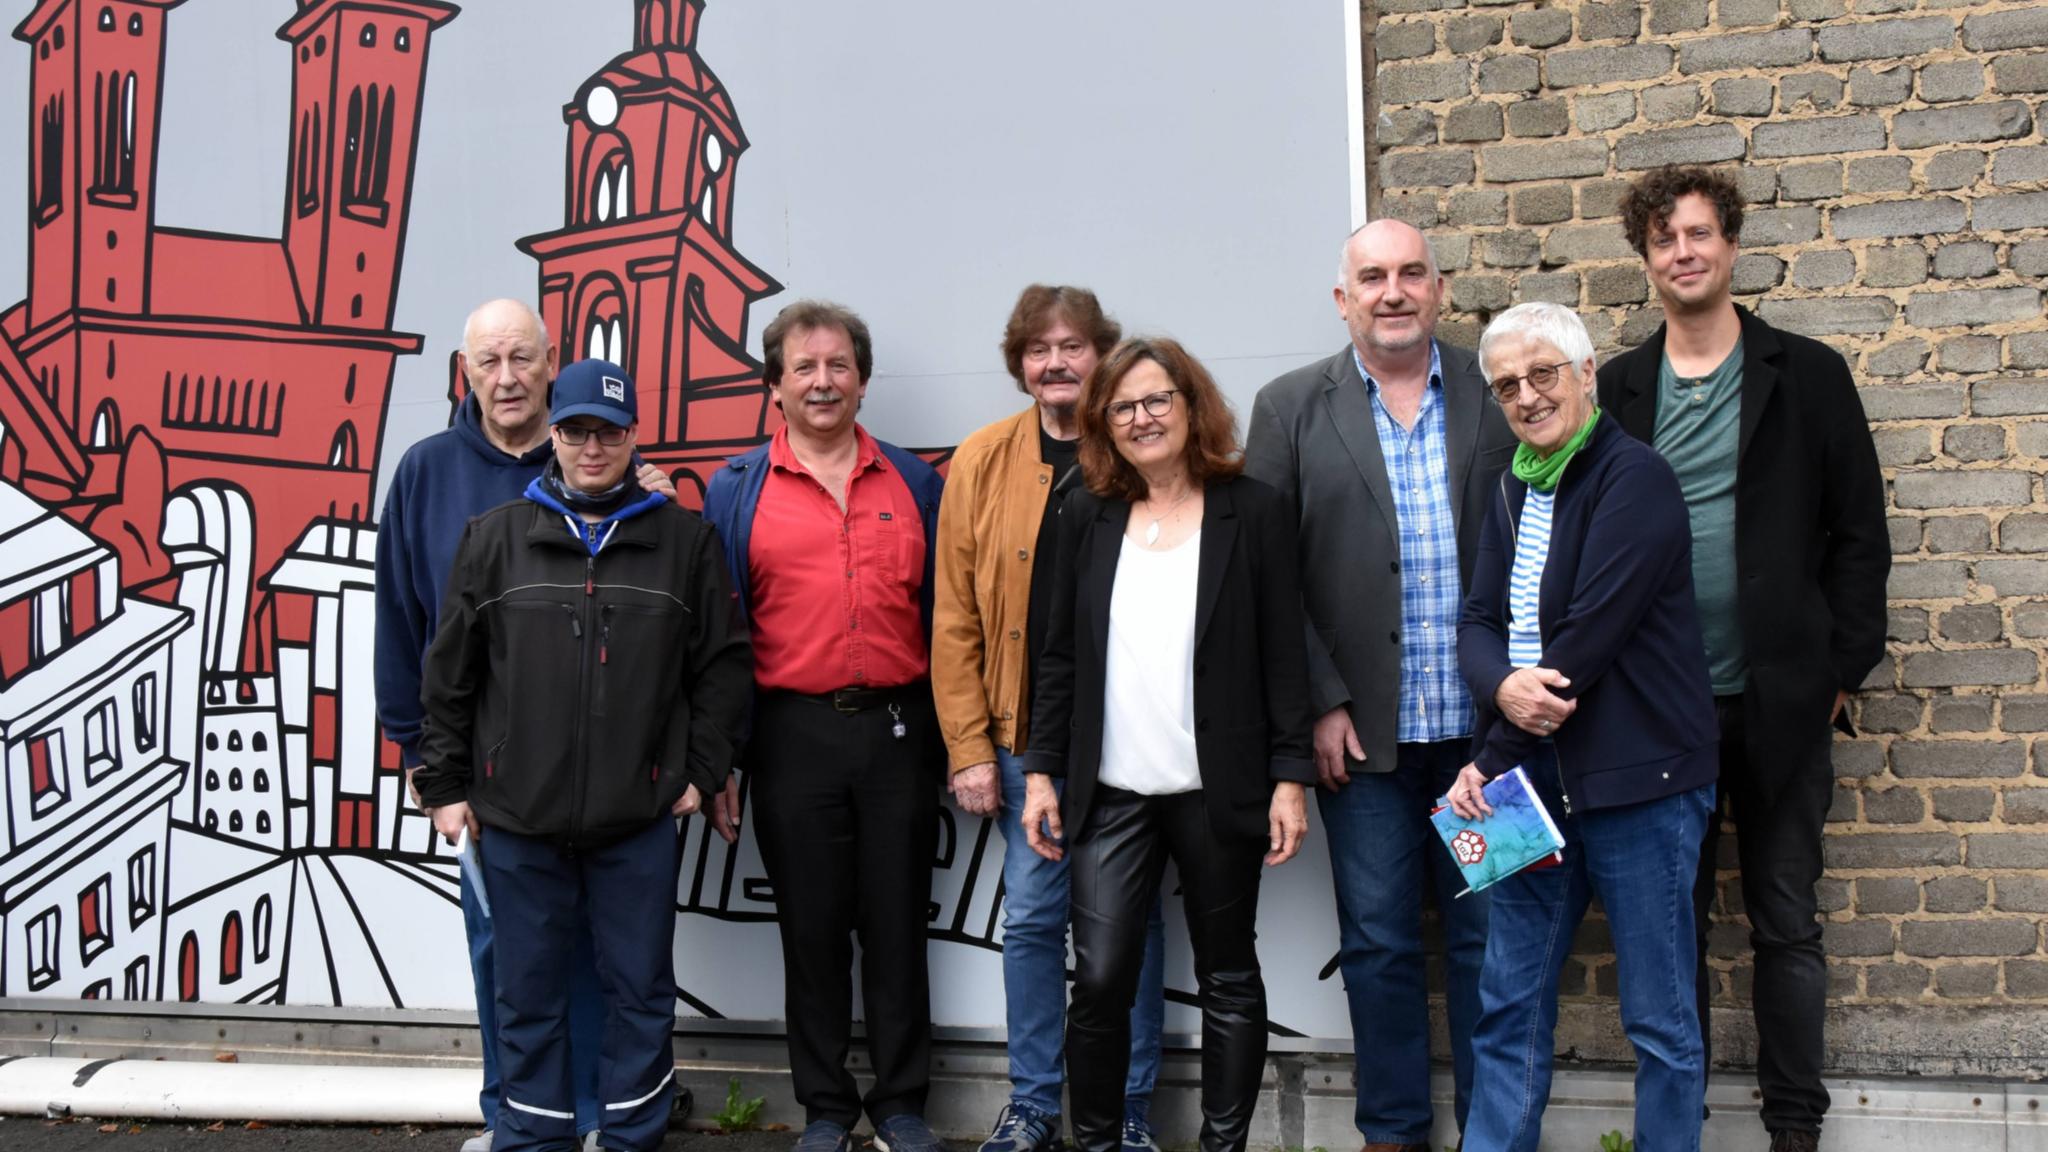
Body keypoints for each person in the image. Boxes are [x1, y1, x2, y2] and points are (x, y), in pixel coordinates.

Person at [1599, 166, 1889, 1152]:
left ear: (1728, 245)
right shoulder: (1615, 390)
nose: (1681, 252)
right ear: (1643, 260)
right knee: (1668, 927)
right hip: (1657, 711)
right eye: (1662, 239)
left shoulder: (1803, 374)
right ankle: (1674, 1130)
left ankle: (1792, 1128)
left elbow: (1857, 533)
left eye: (1696, 234)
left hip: (1777, 700)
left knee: (1781, 917)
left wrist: (1837, 670)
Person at [414, 358, 752, 1152]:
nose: (591, 447)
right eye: (575, 431)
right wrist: (445, 786)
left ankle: (631, 1136)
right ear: (553, 437)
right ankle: (534, 1138)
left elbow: (723, 668)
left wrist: (699, 776)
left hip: (637, 818)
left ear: (633, 435)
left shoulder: (685, 542)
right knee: (526, 990)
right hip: (516, 816)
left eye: (608, 431)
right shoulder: (494, 540)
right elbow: (449, 675)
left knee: (638, 990)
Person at [375, 300, 677, 1152]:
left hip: (607, 776)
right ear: (464, 375)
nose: (505, 378)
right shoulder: (427, 472)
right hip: (488, 775)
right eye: (487, 363)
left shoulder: (606, 464)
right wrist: (419, 758)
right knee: (506, 959)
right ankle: (514, 1117)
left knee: (606, 955)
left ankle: (591, 1117)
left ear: (552, 363)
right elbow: (402, 623)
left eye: (520, 358)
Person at [1243, 220, 1514, 1151]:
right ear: (1343, 298)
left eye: (1410, 275)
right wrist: (1319, 697)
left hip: (1490, 741)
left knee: (1492, 941)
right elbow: (1265, 572)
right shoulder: (1288, 407)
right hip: (1363, 744)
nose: (1392, 292)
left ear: (1440, 289)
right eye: (1373, 277)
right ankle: (1392, 1131)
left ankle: (1494, 1128)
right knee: (1381, 944)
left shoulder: (1497, 388)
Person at [1021, 336, 1314, 1152]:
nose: (1143, 417)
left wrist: (1291, 778)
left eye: (1157, 400)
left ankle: (1224, 1145)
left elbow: (1284, 655)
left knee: (1227, 975)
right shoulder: (1082, 510)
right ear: (1103, 424)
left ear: (1192, 406)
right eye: (1123, 407)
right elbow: (1054, 653)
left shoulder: (1251, 511)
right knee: (1103, 979)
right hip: (1110, 792)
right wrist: (1042, 772)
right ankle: (1101, 1143)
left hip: (1217, 789)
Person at [1451, 301, 1718, 1152]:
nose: (1527, 397)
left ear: (1586, 374)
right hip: (1530, 788)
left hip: (1641, 787)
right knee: (1507, 1005)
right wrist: (1498, 694)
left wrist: (1485, 758)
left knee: (1659, 1020)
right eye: (1507, 385)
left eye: (1543, 374)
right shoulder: (1511, 484)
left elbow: (1582, 649)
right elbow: (1476, 624)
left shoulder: (1633, 478)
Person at [701, 301, 948, 1152]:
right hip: (789, 734)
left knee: (895, 925)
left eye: (837, 365)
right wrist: (725, 758)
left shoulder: (916, 485)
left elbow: (950, 621)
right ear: (774, 386)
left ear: (862, 380)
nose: (822, 381)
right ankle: (827, 1107)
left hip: (899, 733)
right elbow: (720, 636)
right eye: (802, 367)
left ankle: (904, 1103)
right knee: (809, 929)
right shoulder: (736, 490)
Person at [931, 286, 1169, 1152]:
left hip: (1131, 736)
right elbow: (953, 614)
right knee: (1033, 919)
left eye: (1074, 345)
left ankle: (1131, 1105)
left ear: (1102, 353)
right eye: (1040, 349)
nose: (1058, 362)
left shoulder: (1142, 443)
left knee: (1131, 919)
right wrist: (968, 747)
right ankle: (1032, 1103)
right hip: (1024, 734)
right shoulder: (984, 459)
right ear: (1019, 363)